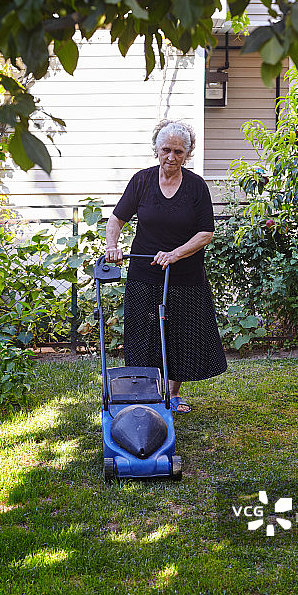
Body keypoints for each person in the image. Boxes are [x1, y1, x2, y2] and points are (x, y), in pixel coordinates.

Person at [104, 119, 227, 413]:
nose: (171, 157)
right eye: (166, 150)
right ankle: (145, 392)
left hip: (185, 274)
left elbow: (205, 233)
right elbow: (116, 219)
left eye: (178, 151)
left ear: (187, 154)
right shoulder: (142, 181)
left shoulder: (196, 187)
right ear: (156, 150)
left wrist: (175, 254)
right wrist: (112, 245)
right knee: (142, 333)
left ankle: (172, 395)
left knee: (181, 333)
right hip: (144, 273)